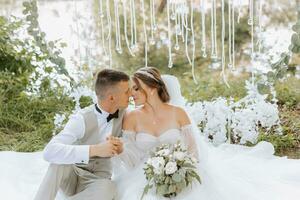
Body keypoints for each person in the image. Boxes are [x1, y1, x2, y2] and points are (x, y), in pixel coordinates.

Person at [114, 67, 300, 200]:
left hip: (183, 171)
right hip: (144, 175)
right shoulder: (131, 117)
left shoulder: (178, 113)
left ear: (152, 88)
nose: (132, 94)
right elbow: (130, 159)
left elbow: (194, 150)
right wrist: (150, 170)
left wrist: (180, 172)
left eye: (136, 88)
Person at [34, 69, 131, 200]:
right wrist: (95, 149)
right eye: (126, 91)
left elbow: (130, 144)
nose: (130, 94)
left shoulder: (127, 115)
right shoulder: (81, 118)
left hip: (98, 182)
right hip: (73, 177)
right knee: (58, 163)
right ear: (111, 97)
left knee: (109, 188)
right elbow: (49, 152)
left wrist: (121, 148)